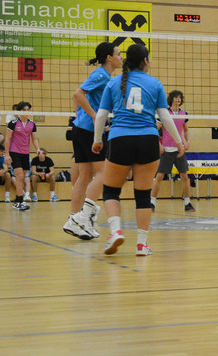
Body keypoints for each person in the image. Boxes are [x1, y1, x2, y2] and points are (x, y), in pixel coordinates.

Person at [93, 43, 183, 256]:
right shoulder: (154, 83)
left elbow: (101, 115)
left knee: (111, 191)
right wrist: (178, 141)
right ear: (145, 61)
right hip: (148, 140)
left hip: (120, 139)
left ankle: (115, 231)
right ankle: (141, 245)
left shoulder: (114, 82)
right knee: (143, 195)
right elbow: (165, 116)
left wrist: (97, 139)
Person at [65, 41, 122, 241]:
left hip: (82, 129)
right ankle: (82, 217)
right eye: (118, 54)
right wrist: (93, 115)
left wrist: (85, 116)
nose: (121, 57)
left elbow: (78, 98)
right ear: (109, 58)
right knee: (105, 172)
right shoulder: (101, 75)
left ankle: (74, 220)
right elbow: (77, 94)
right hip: (88, 130)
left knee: (85, 176)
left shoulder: (105, 76)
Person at [150, 90, 194, 212]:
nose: (178, 99)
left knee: (184, 176)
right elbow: (155, 129)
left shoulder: (184, 113)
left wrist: (188, 141)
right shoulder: (164, 113)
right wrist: (158, 144)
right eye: (176, 97)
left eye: (180, 97)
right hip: (166, 150)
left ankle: (187, 203)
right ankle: (152, 203)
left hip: (179, 149)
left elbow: (186, 130)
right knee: (159, 176)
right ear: (171, 99)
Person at [4, 101, 39, 211]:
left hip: (25, 153)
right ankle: (20, 200)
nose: (27, 112)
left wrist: (38, 148)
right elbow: (7, 139)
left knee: (22, 178)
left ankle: (17, 201)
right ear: (19, 111)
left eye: (28, 110)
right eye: (24, 110)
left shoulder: (32, 124)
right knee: (19, 177)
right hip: (15, 152)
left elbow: (34, 139)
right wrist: (7, 154)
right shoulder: (13, 123)